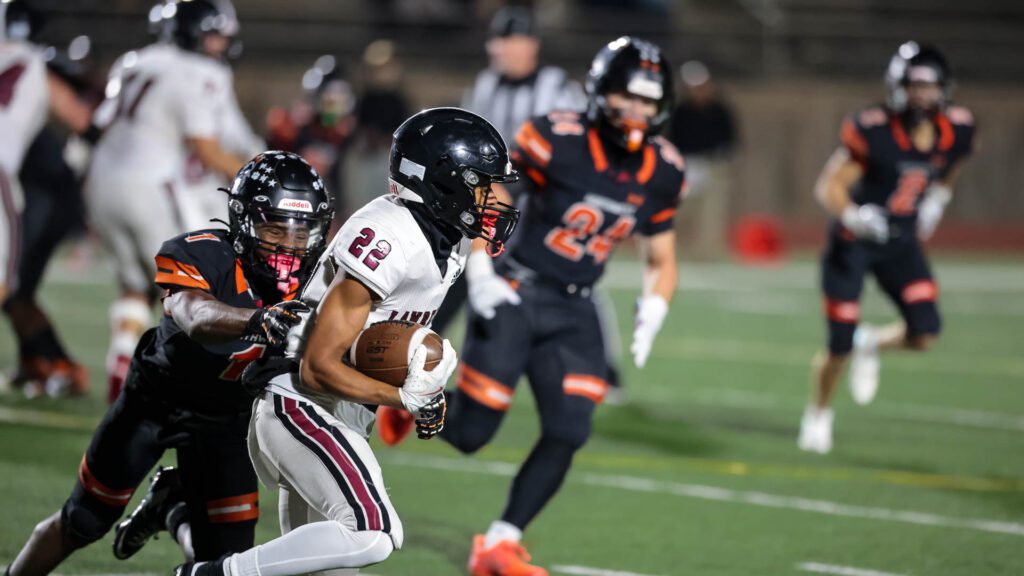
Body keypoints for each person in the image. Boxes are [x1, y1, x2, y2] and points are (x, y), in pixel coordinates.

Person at [378, 36, 685, 575]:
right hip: (517, 291)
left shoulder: (663, 167)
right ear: (602, 91)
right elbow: (490, 197)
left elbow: (661, 255)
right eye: (629, 97)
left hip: (577, 307)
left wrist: (656, 304)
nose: (638, 110)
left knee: (570, 429)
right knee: (473, 435)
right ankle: (402, 401)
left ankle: (499, 542)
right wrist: (480, 270)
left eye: (649, 101)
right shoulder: (557, 137)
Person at [173, 108, 520, 576]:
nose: (493, 198)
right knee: (372, 532)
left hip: (340, 414)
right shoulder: (389, 235)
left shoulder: (449, 240)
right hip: (299, 402)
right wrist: (403, 397)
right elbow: (317, 365)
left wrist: (414, 388)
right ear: (443, 182)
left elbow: (377, 340)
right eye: (482, 184)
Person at [4, 151, 333, 576]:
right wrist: (258, 321)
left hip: (228, 422)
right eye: (274, 228)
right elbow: (197, 316)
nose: (289, 246)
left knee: (222, 566)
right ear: (243, 220)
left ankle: (172, 511)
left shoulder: (324, 280)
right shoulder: (201, 254)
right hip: (155, 403)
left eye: (302, 232)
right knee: (84, 521)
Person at [798, 42, 975, 454]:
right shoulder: (876, 129)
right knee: (838, 341)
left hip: (901, 242)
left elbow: (954, 161)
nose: (921, 96)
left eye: (929, 87)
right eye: (913, 86)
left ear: (944, 90)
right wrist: (854, 216)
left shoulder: (956, 130)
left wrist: (939, 198)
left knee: (925, 332)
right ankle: (819, 413)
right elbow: (829, 186)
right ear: (897, 87)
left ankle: (872, 342)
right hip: (854, 243)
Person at [86, 0, 249, 404]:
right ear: (192, 32)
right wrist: (252, 178)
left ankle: (121, 363)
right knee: (187, 287)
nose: (218, 45)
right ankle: (176, 379)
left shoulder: (134, 61)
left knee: (131, 283)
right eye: (213, 35)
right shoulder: (197, 70)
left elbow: (97, 124)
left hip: (100, 182)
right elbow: (207, 147)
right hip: (149, 186)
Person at [0, 0, 95, 395]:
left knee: (14, 289)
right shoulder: (36, 63)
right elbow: (86, 124)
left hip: (44, 195)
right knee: (9, 288)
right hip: (15, 181)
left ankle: (46, 362)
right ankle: (48, 362)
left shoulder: (30, 63)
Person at [665, 60, 737, 259]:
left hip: (714, 165)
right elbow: (674, 139)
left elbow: (730, 138)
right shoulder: (682, 111)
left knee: (713, 211)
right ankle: (677, 247)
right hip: (688, 165)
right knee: (682, 210)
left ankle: (708, 251)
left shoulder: (719, 109)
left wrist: (722, 156)